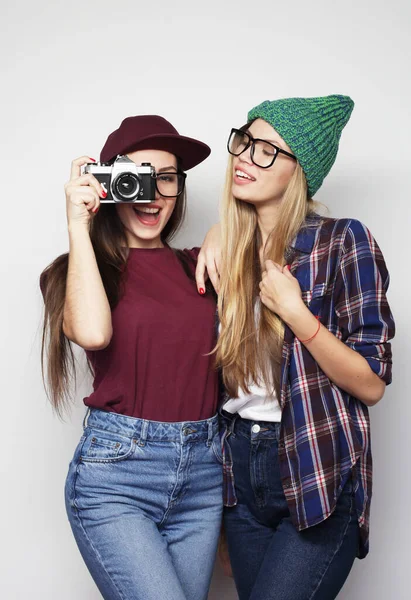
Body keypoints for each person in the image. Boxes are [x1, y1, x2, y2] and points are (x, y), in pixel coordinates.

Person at [196, 95, 395, 599]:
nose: (246, 156)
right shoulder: (224, 255)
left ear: (300, 171)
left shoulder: (343, 242)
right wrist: (221, 232)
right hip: (240, 472)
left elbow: (370, 384)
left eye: (268, 150)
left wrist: (297, 315)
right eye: (245, 141)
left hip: (314, 465)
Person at [40, 115, 223, 600]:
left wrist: (229, 230)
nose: (152, 192)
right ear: (107, 185)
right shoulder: (74, 272)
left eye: (166, 178)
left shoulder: (200, 266)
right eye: (137, 176)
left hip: (205, 477)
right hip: (118, 476)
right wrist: (79, 223)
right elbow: (95, 333)